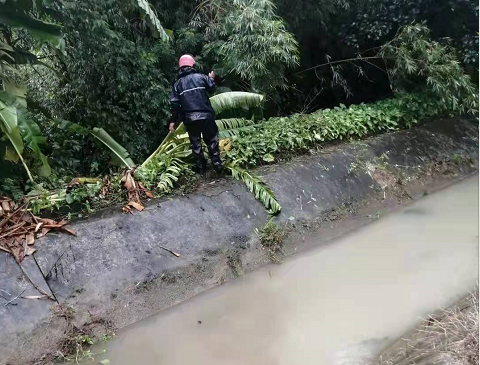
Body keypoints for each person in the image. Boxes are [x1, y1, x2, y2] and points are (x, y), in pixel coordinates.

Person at [169, 54, 222, 174]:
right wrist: (211, 78)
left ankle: (202, 169)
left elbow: (175, 106)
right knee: (212, 139)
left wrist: (172, 121)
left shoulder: (177, 85)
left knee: (195, 143)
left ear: (181, 67)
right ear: (192, 64)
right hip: (206, 115)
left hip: (190, 119)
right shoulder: (202, 77)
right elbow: (212, 88)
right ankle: (217, 165)